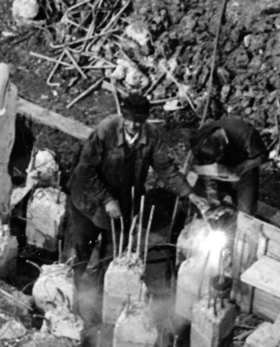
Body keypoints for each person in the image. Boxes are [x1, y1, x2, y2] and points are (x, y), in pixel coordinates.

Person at [62, 94, 199, 269]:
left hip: (122, 203)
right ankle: (77, 288)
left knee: (113, 254)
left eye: (138, 122)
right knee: (80, 250)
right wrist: (106, 199)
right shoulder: (106, 130)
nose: (133, 126)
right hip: (88, 200)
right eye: (129, 120)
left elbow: (165, 168)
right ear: (123, 115)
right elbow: (85, 170)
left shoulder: (151, 136)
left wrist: (189, 193)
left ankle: (100, 289)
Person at [187, 114, 269, 216]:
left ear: (222, 149)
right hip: (216, 174)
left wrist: (239, 169)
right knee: (201, 206)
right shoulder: (199, 140)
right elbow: (204, 171)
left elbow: (263, 156)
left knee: (246, 215)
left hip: (243, 174)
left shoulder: (245, 133)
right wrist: (211, 193)